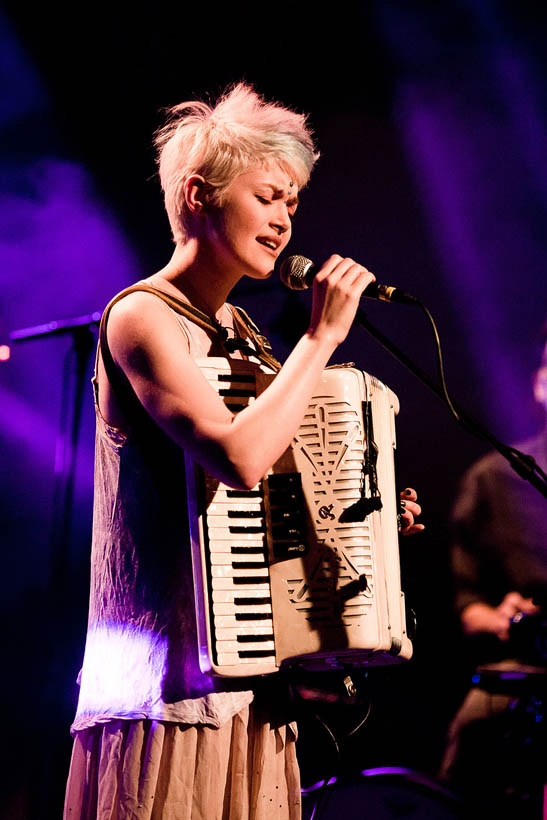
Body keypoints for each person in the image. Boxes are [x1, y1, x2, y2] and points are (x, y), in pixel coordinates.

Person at [63, 84, 423, 820]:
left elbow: (265, 492)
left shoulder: (242, 333)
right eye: (268, 196)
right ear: (199, 194)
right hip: (161, 685)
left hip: (246, 681)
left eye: (292, 202)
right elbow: (236, 458)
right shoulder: (140, 316)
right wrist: (320, 340)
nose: (285, 219)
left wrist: (368, 525)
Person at [439, 333, 547, 817]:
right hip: (525, 673)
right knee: (477, 726)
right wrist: (504, 618)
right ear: (540, 383)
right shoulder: (494, 479)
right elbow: (467, 609)